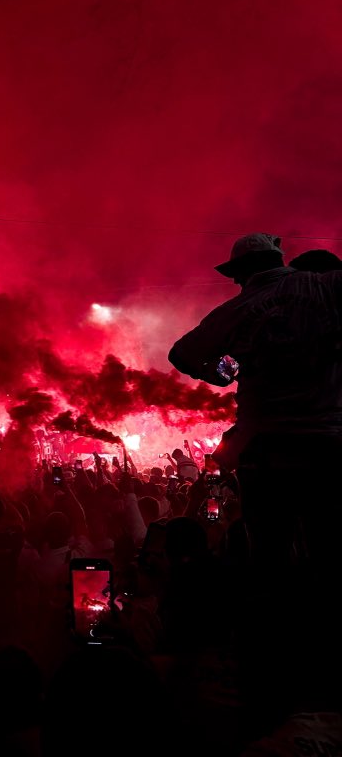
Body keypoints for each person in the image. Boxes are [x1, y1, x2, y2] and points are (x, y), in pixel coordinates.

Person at [169, 231, 342, 723]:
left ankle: (269, 665)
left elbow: (182, 353)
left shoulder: (238, 311)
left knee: (268, 559)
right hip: (328, 441)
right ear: (281, 259)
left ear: (241, 274)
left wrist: (219, 373)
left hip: (266, 448)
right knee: (330, 554)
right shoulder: (325, 287)